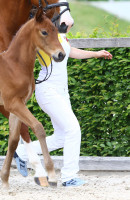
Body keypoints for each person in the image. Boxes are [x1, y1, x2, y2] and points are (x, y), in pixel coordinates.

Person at [14, 12, 112, 187]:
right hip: (48, 91)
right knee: (73, 129)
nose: (69, 26)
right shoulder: (46, 40)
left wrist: (96, 53)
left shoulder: (62, 40)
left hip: (62, 92)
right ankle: (69, 177)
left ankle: (22, 152)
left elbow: (72, 52)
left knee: (61, 137)